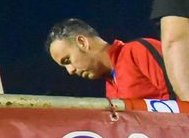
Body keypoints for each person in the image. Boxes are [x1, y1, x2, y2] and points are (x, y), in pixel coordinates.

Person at [44, 18, 172, 101]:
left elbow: (180, 94)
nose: (70, 71)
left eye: (67, 60)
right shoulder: (110, 87)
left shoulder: (138, 51)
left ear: (82, 42)